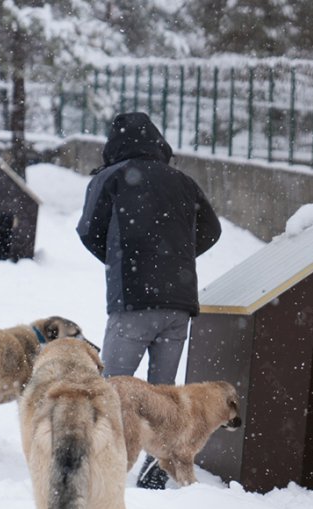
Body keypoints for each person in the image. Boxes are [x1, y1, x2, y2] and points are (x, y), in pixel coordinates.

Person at [77, 111, 222, 489]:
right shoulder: (183, 182)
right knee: (164, 398)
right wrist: (177, 258)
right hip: (179, 304)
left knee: (111, 390)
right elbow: (212, 229)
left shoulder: (110, 178)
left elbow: (89, 230)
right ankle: (155, 475)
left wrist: (122, 258)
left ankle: (100, 472)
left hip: (134, 301)